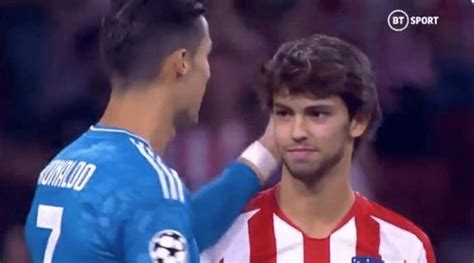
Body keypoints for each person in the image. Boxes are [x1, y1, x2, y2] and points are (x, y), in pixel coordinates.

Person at [24, 0, 279, 262]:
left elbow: (180, 228)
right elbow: (156, 212)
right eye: (205, 56)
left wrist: (267, 148)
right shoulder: (149, 187)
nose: (208, 72)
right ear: (181, 63)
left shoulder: (63, 164)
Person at [201, 34, 436, 263]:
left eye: (317, 114)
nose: (297, 131)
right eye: (285, 113)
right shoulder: (225, 241)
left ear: (358, 121)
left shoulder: (405, 248)